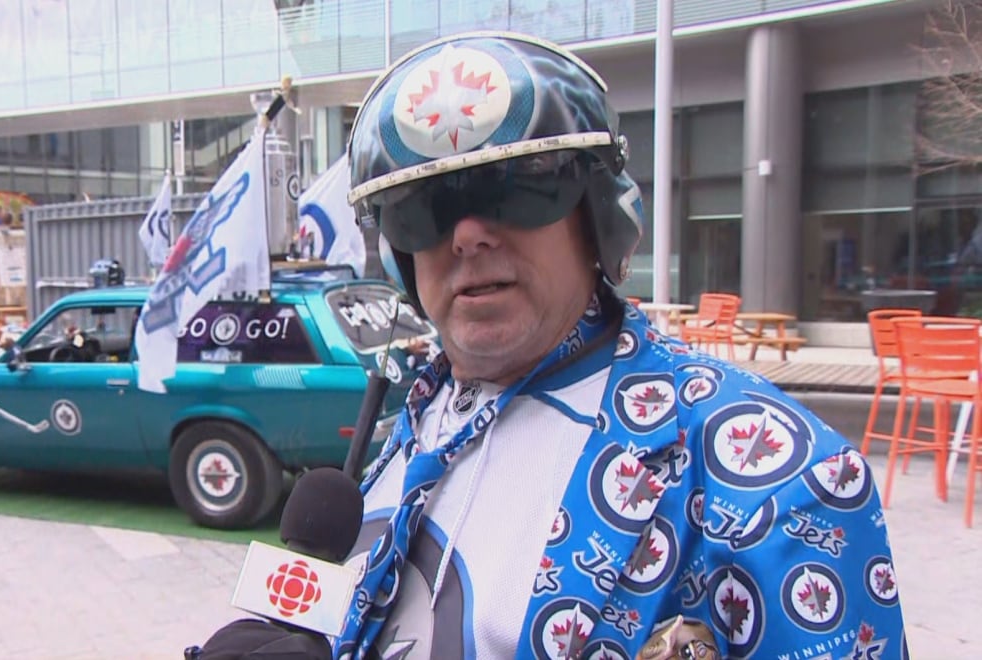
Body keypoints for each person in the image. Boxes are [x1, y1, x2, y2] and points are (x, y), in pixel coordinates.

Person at [325, 32, 907, 659]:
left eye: (512, 186)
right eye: (423, 205)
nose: (467, 235)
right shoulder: (416, 416)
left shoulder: (775, 475)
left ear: (597, 211)